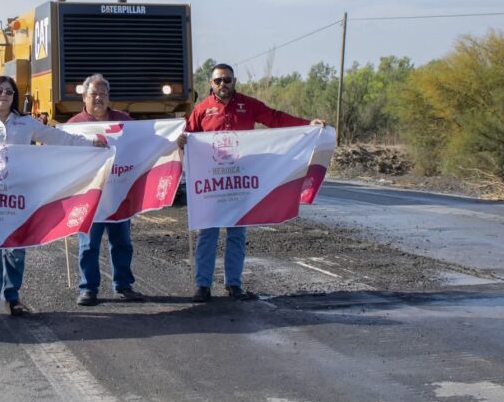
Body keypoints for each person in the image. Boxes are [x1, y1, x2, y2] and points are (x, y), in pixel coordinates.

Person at [0, 75, 105, 320]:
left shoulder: (27, 123)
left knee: (16, 248)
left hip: (19, 197)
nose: (4, 95)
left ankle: (13, 296)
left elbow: (59, 138)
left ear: (14, 96)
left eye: (8, 91)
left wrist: (90, 143)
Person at [177, 64, 325, 302]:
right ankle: (202, 285)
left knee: (237, 233)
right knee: (208, 233)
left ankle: (233, 284)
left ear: (234, 81)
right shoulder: (202, 109)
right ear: (211, 84)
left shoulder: (249, 105)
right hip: (212, 185)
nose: (222, 85)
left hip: (240, 182)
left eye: (226, 80)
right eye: (217, 81)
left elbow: (275, 118)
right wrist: (182, 140)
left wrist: (307, 124)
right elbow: (186, 135)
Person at [65, 74, 145, 306]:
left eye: (103, 94)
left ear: (109, 97)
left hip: (118, 195)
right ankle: (88, 288)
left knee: (122, 243)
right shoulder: (73, 126)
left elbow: (148, 140)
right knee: (88, 245)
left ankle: (123, 285)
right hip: (90, 198)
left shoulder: (124, 121)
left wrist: (175, 139)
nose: (98, 98)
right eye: (94, 94)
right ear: (84, 96)